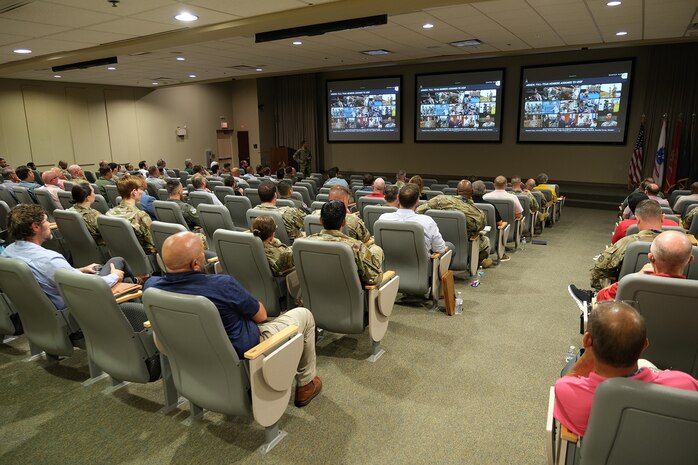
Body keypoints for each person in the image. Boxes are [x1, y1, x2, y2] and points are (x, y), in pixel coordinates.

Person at [145, 231, 322, 407]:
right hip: (244, 350)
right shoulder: (222, 285)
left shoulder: (151, 289)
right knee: (304, 315)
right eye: (202, 253)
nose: (205, 256)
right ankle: (306, 384)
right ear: (195, 264)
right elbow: (261, 316)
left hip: (192, 351)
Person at [553, 301, 698, 437]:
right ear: (644, 345)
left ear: (586, 340)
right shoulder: (685, 386)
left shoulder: (569, 392)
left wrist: (588, 352)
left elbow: (568, 379)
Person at [1, 204, 138, 312]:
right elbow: (91, 287)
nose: (49, 224)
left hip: (41, 312)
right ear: (35, 227)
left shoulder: (7, 252)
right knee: (118, 263)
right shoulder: (50, 259)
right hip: (76, 308)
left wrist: (79, 270)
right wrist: (114, 276)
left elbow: (48, 274)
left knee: (120, 276)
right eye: (46, 221)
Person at [569, 230, 693, 309]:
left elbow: (600, 299)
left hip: (628, 348)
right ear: (691, 260)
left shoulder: (631, 285)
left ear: (650, 257)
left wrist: (638, 275)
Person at [416, 180, 493, 268]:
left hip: (437, 243)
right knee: (485, 240)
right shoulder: (478, 214)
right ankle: (474, 264)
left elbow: (418, 211)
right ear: (472, 192)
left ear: (456, 192)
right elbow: (480, 229)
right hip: (465, 246)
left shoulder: (439, 199)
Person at [589, 200, 664, 290]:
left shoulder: (628, 243)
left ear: (637, 219)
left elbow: (599, 270)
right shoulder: (680, 244)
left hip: (628, 296)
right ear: (663, 218)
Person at [307, 200, 383, 286]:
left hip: (316, 294)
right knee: (376, 249)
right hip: (351, 297)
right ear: (344, 222)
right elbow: (374, 278)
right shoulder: (355, 247)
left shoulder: (305, 243)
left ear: (320, 220)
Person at [379, 183, 447, 258]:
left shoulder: (383, 219)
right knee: (450, 246)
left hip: (389, 268)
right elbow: (440, 249)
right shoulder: (427, 221)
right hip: (422, 268)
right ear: (417, 201)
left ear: (398, 198)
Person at [106, 175, 156, 254]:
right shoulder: (141, 216)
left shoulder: (109, 214)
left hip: (118, 256)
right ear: (134, 192)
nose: (142, 192)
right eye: (139, 189)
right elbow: (153, 247)